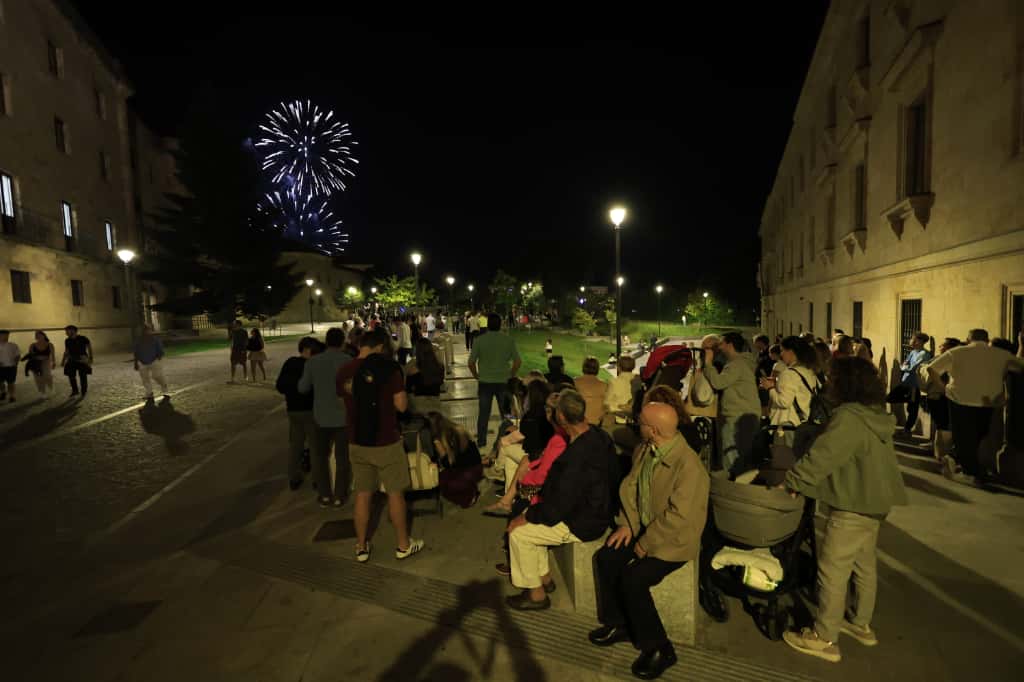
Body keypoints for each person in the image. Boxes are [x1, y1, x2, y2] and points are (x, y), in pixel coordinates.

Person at [781, 357, 907, 663]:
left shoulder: (849, 418)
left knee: (832, 571)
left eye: (833, 377)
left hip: (853, 505)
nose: (828, 382)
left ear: (844, 382)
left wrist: (792, 481)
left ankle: (824, 638)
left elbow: (824, 456)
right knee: (863, 565)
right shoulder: (874, 414)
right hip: (876, 503)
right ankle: (860, 623)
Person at [589, 402, 709, 679]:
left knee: (633, 579)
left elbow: (679, 519)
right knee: (607, 558)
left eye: (639, 421)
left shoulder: (689, 467)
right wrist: (627, 525)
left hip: (673, 541)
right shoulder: (646, 449)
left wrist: (646, 542)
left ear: (652, 430)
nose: (635, 424)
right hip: (644, 528)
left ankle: (660, 647)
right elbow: (631, 488)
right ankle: (619, 623)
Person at [505, 390, 619, 610]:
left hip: (582, 522)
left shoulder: (575, 457)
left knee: (518, 532)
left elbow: (557, 507)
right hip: (595, 512)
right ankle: (544, 579)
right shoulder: (599, 436)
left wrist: (526, 516)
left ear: (562, 418)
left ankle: (536, 595)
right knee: (532, 520)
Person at [336, 327, 424, 563]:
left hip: (357, 440)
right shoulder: (388, 370)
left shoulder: (345, 370)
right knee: (395, 493)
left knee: (363, 494)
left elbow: (342, 401)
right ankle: (403, 545)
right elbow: (402, 406)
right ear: (381, 346)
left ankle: (361, 546)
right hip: (386, 440)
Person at [925, 328, 1024, 486]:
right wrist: (1020, 346)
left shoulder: (957, 352)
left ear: (969, 338)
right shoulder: (1000, 354)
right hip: (987, 402)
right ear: (987, 339)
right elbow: (1020, 366)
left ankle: (965, 468)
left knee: (963, 435)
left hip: (959, 399)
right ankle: (960, 463)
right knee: (978, 434)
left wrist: (944, 388)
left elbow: (931, 368)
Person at [298, 327, 353, 507]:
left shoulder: (313, 362)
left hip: (320, 416)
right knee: (342, 458)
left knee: (319, 457)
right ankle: (339, 494)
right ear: (342, 342)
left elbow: (303, 388)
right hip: (343, 415)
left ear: (327, 342)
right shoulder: (347, 361)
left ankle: (325, 494)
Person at [699, 331, 760, 477]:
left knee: (731, 459)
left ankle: (731, 490)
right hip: (747, 415)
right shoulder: (746, 361)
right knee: (743, 458)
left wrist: (708, 364)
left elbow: (718, 383)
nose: (719, 348)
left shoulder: (736, 364)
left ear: (729, 345)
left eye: (721, 344)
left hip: (736, 416)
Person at [468, 313, 522, 448]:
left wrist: (476, 375)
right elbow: (517, 361)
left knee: (483, 414)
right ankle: (508, 440)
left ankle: (481, 441)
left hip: (485, 382)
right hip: (503, 381)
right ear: (500, 324)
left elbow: (471, 362)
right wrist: (511, 374)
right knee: (507, 414)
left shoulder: (479, 340)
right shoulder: (508, 340)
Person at [276, 337, 322, 490]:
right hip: (310, 410)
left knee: (296, 445)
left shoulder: (290, 363)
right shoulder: (312, 365)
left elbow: (280, 386)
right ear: (308, 350)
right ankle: (317, 479)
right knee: (315, 446)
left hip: (293, 410)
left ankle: (294, 477)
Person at [759, 336, 820, 449]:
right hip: (805, 423)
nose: (781, 354)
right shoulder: (808, 371)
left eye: (782, 350)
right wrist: (777, 383)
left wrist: (769, 388)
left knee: (785, 461)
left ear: (791, 352)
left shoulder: (788, 374)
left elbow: (784, 402)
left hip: (789, 425)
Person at [426, 411, 484, 508]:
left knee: (443, 483)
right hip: (474, 468)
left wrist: (440, 449)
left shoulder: (446, 436)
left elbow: (449, 464)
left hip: (470, 471)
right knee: (442, 478)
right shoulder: (456, 428)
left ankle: (469, 495)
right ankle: (470, 489)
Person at [920, 338, 961, 463]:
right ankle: (941, 452)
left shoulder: (945, 359)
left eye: (942, 345)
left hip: (937, 394)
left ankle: (940, 452)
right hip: (939, 395)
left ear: (949, 347)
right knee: (942, 423)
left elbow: (927, 369)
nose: (940, 347)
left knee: (941, 424)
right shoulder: (943, 359)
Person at [899, 332, 932, 435]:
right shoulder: (913, 352)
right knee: (909, 406)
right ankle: (908, 427)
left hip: (914, 384)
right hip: (907, 382)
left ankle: (907, 429)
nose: (911, 341)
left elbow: (912, 367)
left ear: (920, 341)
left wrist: (904, 367)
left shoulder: (923, 354)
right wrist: (905, 366)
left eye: (914, 339)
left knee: (912, 407)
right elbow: (906, 363)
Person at [406, 337, 444, 414]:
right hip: (436, 403)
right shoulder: (440, 366)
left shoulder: (414, 368)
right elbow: (440, 383)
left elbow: (408, 388)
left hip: (419, 404)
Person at [133, 324, 168, 399]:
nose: (146, 332)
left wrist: (158, 357)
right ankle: (149, 392)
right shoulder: (138, 340)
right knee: (145, 379)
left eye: (147, 330)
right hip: (142, 361)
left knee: (157, 376)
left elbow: (160, 350)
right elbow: (136, 352)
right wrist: (136, 363)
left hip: (154, 360)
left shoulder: (155, 339)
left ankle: (163, 385)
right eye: (144, 331)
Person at [574, 356, 607, 426]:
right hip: (596, 423)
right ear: (597, 369)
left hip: (580, 422)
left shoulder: (575, 382)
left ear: (584, 367)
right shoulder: (604, 385)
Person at [61, 325, 93, 397]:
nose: (66, 332)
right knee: (71, 375)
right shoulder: (67, 340)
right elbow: (67, 351)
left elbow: (89, 347)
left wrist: (90, 358)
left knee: (83, 376)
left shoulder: (83, 338)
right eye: (66, 331)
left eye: (67, 330)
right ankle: (75, 390)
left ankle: (83, 391)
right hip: (72, 359)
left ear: (73, 330)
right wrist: (63, 360)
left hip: (82, 360)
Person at [23, 331, 56, 398]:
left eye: (40, 335)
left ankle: (51, 387)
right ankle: (42, 392)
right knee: (38, 378)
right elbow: (30, 356)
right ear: (36, 337)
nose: (39, 337)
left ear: (44, 336)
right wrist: (28, 365)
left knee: (47, 375)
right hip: (36, 363)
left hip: (46, 361)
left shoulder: (50, 345)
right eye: (37, 336)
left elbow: (53, 355)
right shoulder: (32, 345)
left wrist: (54, 362)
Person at [754, 334, 774, 417]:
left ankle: (765, 418)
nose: (754, 345)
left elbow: (768, 367)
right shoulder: (761, 352)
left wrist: (764, 377)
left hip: (765, 381)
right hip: (760, 380)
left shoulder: (769, 353)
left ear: (761, 342)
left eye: (756, 342)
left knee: (765, 402)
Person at [0, 330, 20, 403]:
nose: (5, 337)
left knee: (11, 383)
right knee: (0, 382)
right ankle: (3, 392)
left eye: (6, 335)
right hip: (0, 367)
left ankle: (12, 396)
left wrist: (16, 363)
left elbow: (17, 355)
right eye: (3, 335)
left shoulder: (13, 345)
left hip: (11, 367)